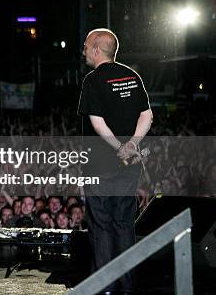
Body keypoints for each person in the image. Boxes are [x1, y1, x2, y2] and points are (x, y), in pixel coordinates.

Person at [78, 28, 152, 294]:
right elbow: (147, 115)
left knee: (102, 226)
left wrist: (120, 147)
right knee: (123, 224)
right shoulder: (132, 76)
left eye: (86, 46)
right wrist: (133, 144)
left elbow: (97, 123)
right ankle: (127, 284)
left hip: (100, 166)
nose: (84, 50)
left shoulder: (93, 80)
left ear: (97, 49)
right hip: (129, 165)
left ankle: (105, 285)